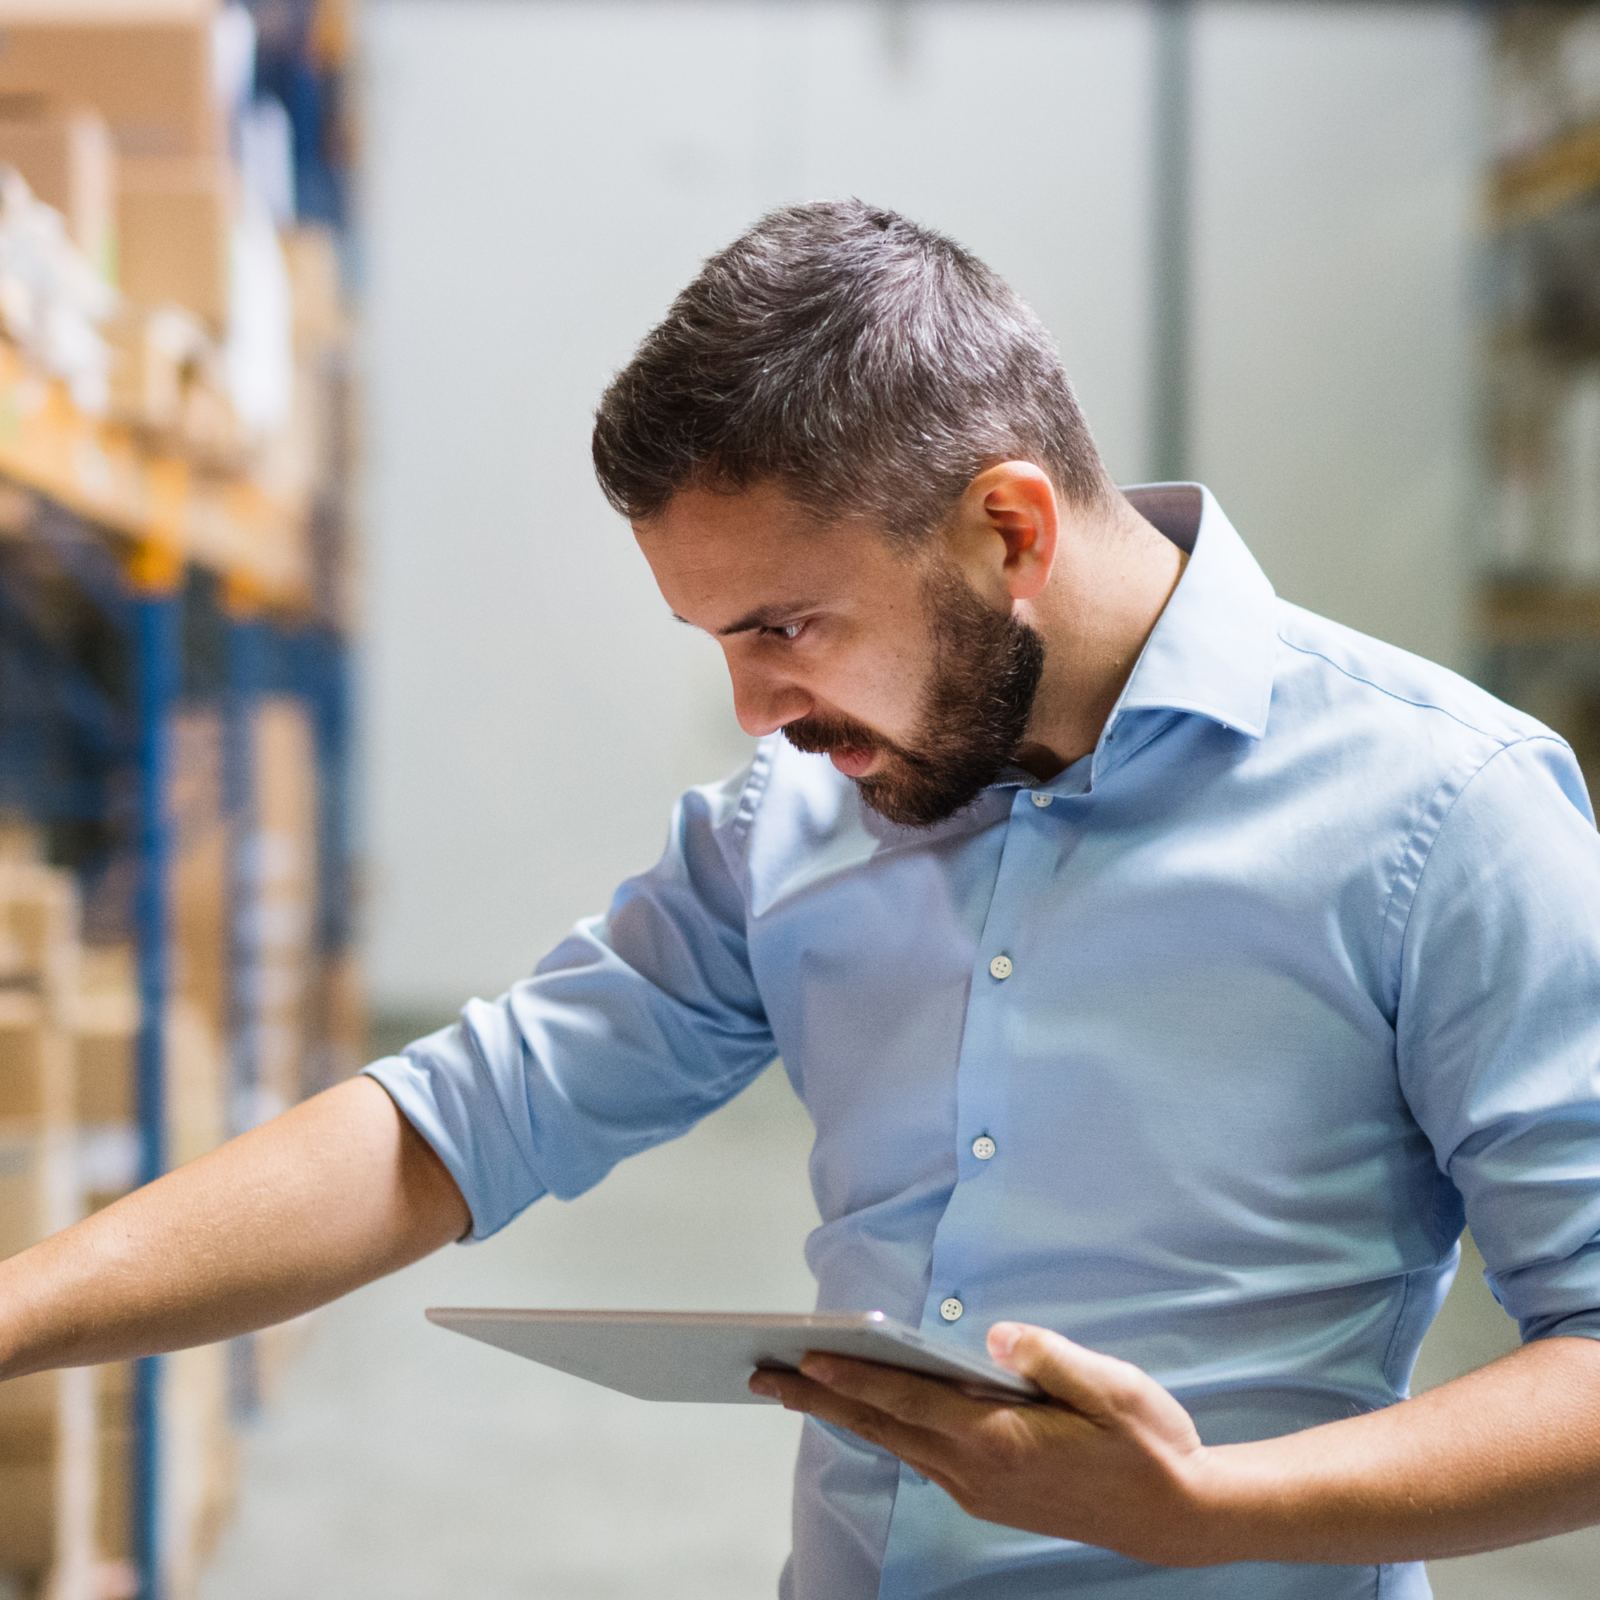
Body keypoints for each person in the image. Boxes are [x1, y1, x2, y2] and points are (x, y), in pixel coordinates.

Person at [4, 200, 1600, 1599]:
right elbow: (453, 1123)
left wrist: (1205, 1510)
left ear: (1010, 528)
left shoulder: (1446, 809)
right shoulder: (793, 822)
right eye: (719, 642)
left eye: (789, 625)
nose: (759, 711)